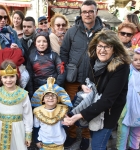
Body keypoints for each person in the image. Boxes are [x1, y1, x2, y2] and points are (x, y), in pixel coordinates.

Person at [63, 30, 130, 150]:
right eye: (100, 46)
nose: (102, 50)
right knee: (95, 139)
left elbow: (108, 100)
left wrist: (79, 115)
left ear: (114, 49)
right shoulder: (94, 60)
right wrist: (83, 85)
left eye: (107, 46)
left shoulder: (121, 67)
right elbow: (87, 79)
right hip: (94, 109)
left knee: (97, 146)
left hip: (108, 114)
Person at [60, 0, 103, 148]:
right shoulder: (72, 31)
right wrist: (66, 71)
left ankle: (85, 137)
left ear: (96, 12)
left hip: (93, 79)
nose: (88, 14)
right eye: (84, 11)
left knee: (88, 107)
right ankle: (71, 135)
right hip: (73, 78)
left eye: (91, 11)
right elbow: (64, 52)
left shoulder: (103, 32)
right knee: (70, 107)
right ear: (81, 13)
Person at [0, 60, 33, 150]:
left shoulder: (23, 94)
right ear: (0, 78)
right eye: (5, 77)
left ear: (17, 76)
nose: (8, 80)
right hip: (0, 128)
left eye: (12, 76)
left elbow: (27, 115)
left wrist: (28, 133)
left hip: (18, 129)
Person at [31, 77, 72, 150]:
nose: (50, 98)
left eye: (53, 96)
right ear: (43, 99)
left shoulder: (62, 110)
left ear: (58, 99)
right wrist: (36, 140)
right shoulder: (38, 111)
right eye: (47, 96)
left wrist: (67, 123)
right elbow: (36, 127)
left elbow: (65, 126)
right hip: (44, 141)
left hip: (59, 141)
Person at [26, 31, 65, 98]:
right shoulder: (31, 57)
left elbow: (62, 72)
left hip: (53, 88)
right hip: (38, 89)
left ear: (48, 43)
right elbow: (29, 76)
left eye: (44, 41)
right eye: (39, 41)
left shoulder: (54, 55)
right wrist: (31, 94)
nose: (41, 44)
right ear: (35, 43)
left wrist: (55, 86)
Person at [116, 48, 140, 150]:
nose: (139, 62)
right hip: (126, 108)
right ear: (131, 60)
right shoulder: (127, 71)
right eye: (135, 60)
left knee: (137, 131)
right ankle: (120, 148)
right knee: (123, 131)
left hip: (138, 109)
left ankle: (133, 147)